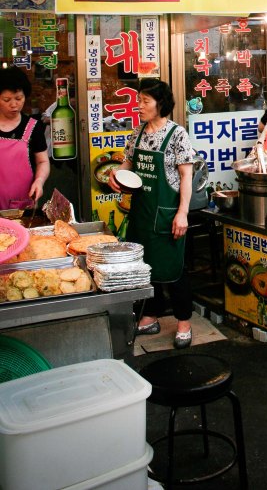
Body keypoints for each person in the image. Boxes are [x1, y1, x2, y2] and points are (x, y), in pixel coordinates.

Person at [108, 78, 195, 349]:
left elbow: (186, 177)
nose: (139, 106)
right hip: (141, 212)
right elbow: (127, 165)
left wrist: (183, 213)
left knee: (173, 269)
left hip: (168, 212)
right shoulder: (138, 133)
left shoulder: (177, 134)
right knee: (145, 267)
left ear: (161, 104)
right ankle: (151, 314)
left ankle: (184, 321)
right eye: (139, 100)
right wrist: (117, 177)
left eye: (145, 101)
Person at [0, 66, 50, 210]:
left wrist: (39, 181)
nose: (14, 104)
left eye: (18, 98)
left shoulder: (33, 127)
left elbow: (42, 161)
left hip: (23, 203)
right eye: (6, 99)